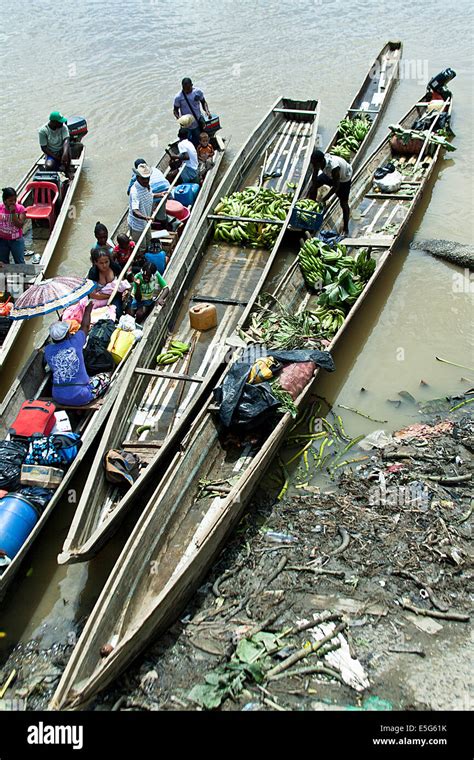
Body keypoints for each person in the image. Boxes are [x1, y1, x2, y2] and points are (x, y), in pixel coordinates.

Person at [44, 303, 110, 406]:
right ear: (67, 333)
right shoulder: (75, 342)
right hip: (81, 396)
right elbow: (85, 326)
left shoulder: (48, 350)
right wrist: (87, 310)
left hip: (58, 396)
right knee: (105, 377)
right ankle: (83, 403)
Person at [307, 149, 352, 236]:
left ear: (321, 161)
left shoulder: (334, 167)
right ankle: (312, 211)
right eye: (312, 164)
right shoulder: (317, 164)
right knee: (314, 186)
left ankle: (346, 227)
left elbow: (336, 187)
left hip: (343, 178)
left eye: (315, 164)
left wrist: (324, 199)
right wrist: (312, 190)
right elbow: (314, 177)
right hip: (329, 175)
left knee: (344, 203)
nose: (313, 166)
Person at [128, 163, 169, 251]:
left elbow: (149, 195)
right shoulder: (134, 191)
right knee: (141, 247)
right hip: (138, 226)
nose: (146, 181)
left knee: (149, 241)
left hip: (146, 222)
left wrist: (159, 194)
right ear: (138, 177)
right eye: (144, 179)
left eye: (147, 178)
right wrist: (145, 217)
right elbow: (135, 211)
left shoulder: (146, 186)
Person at [87, 247, 130, 318]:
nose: (104, 265)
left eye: (106, 262)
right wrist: (110, 296)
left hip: (116, 294)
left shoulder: (114, 266)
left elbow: (122, 280)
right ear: (95, 262)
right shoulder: (93, 273)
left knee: (118, 311)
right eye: (101, 263)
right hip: (101, 298)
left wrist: (125, 290)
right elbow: (92, 295)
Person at [173, 78, 211, 146]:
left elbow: (203, 102)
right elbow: (175, 110)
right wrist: (179, 118)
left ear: (192, 85)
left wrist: (207, 111)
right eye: (185, 89)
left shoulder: (198, 92)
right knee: (186, 142)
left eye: (188, 88)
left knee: (199, 141)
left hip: (197, 122)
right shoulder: (178, 97)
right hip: (186, 125)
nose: (187, 90)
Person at [0, 187, 26, 264]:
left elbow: (20, 225)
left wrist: (13, 213)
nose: (13, 202)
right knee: (3, 262)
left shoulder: (20, 209)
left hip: (16, 240)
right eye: (10, 201)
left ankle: (22, 275)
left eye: (15, 200)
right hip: (2, 240)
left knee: (19, 262)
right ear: (5, 201)